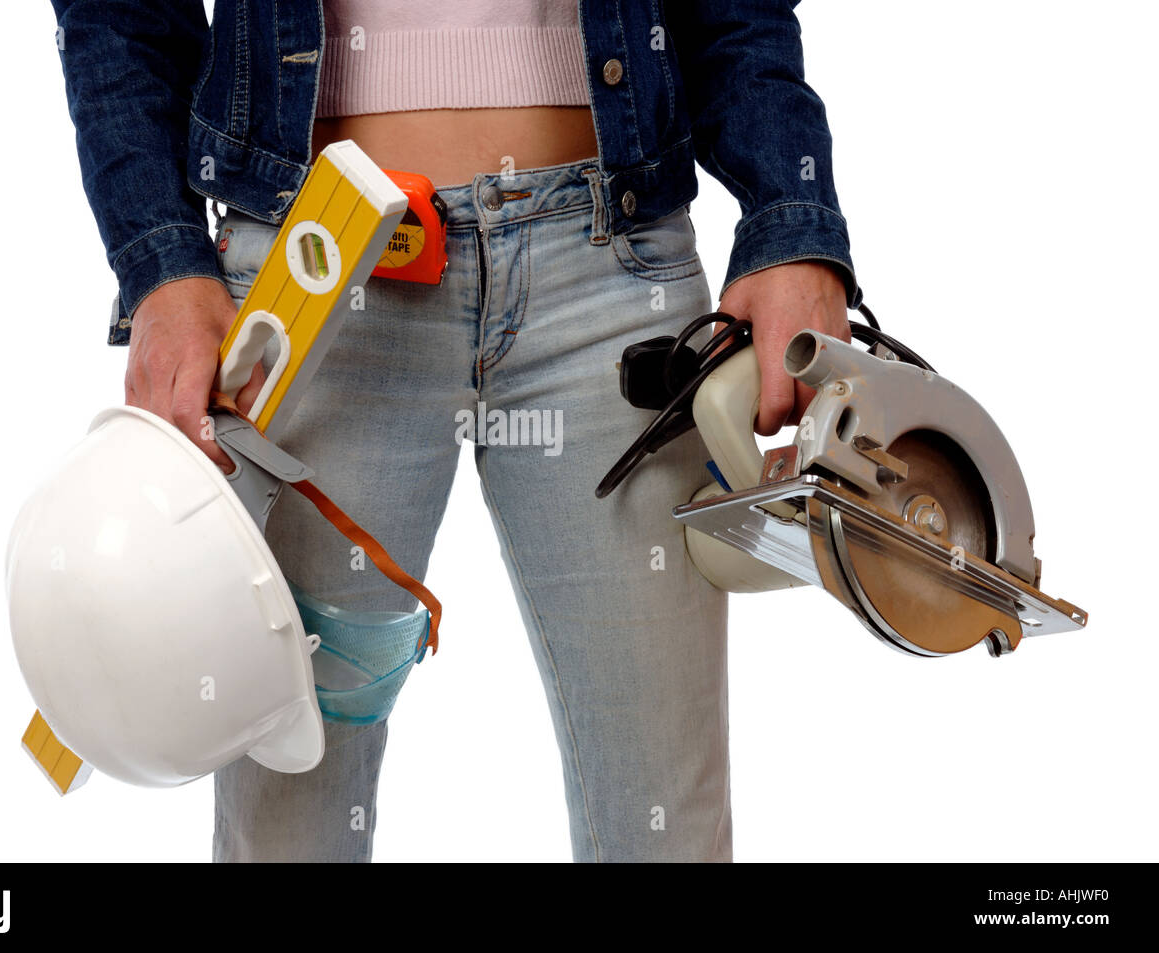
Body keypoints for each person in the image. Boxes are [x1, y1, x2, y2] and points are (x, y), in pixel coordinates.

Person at [50, 0, 858, 862]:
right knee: (288, 830)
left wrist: (791, 215)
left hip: (610, 267)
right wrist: (162, 260)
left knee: (666, 832)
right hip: (315, 272)